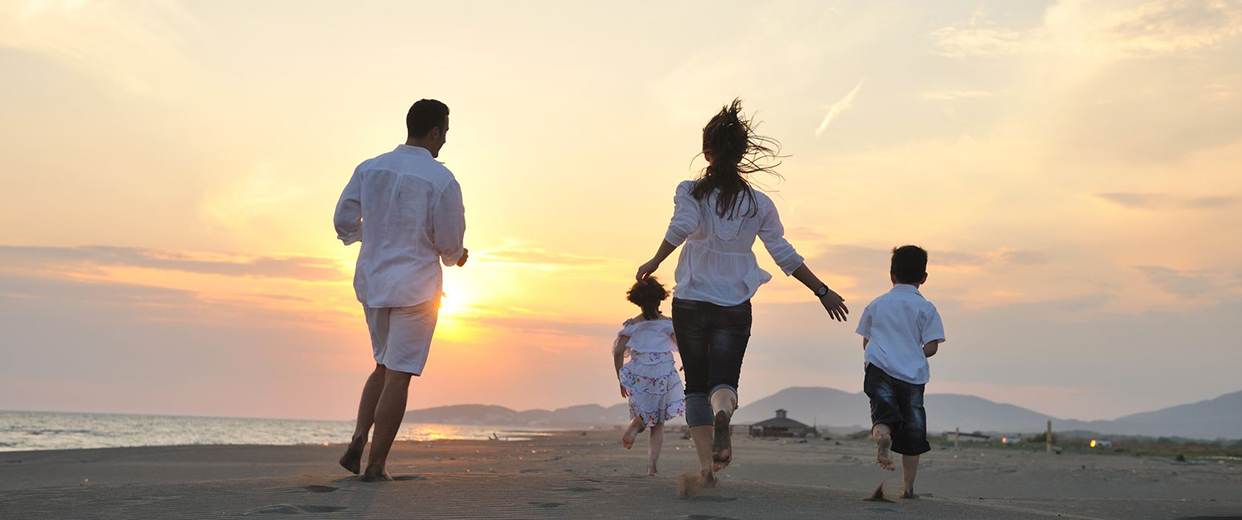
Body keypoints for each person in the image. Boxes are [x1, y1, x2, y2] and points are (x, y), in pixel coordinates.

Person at [635, 99, 849, 489]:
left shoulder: (690, 192)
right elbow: (782, 252)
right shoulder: (759, 204)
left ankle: (705, 469)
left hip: (691, 303)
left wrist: (655, 259)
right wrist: (821, 290)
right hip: (734, 305)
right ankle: (723, 415)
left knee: (695, 386)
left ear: (707, 152)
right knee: (723, 383)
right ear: (742, 153)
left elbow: (682, 224)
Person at [333, 99, 468, 482]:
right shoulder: (441, 179)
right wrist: (458, 257)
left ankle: (360, 437)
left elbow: (343, 221)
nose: (445, 141)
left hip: (373, 283)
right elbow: (448, 244)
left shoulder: (370, 167)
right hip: (415, 289)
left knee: (381, 365)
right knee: (399, 375)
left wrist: (373, 235)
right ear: (436, 131)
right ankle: (376, 465)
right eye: (445, 132)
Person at [854, 245, 945, 499]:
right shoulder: (926, 308)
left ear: (891, 275)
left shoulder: (877, 304)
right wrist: (914, 352)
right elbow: (932, 347)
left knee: (882, 415)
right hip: (911, 375)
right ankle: (908, 488)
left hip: (879, 368)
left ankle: (883, 437)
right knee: (913, 431)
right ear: (924, 278)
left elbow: (866, 341)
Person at [613, 277, 685, 477]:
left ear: (637, 300)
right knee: (658, 422)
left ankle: (638, 423)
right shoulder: (668, 324)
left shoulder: (632, 324)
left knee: (644, 412)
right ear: (660, 299)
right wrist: (686, 363)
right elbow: (682, 345)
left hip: (640, 373)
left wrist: (621, 378)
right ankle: (652, 467)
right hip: (662, 371)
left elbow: (619, 350)